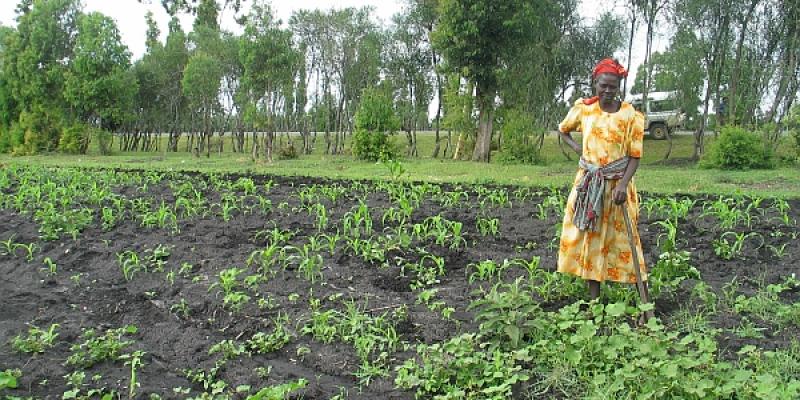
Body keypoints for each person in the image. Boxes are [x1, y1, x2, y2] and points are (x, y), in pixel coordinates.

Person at [556, 58, 650, 310]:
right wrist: (579, 149)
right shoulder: (585, 109)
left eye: (613, 86)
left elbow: (634, 156)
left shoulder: (631, 115)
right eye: (603, 86)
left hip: (618, 187)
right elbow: (563, 130)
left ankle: (645, 303)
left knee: (627, 242)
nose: (608, 91)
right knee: (591, 238)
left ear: (619, 86)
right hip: (589, 186)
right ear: (594, 84)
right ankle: (594, 304)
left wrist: (623, 185)